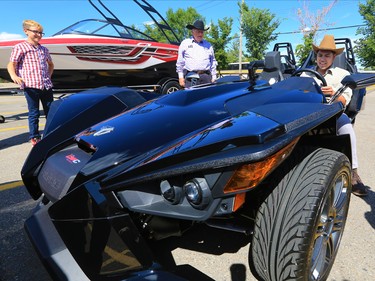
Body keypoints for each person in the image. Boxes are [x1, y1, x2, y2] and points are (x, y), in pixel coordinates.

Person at [303, 34, 368, 197]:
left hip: (333, 113)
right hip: (307, 113)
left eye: (327, 55)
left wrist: (334, 95)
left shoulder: (342, 74)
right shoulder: (305, 74)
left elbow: (345, 97)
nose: (322, 59)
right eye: (320, 55)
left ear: (334, 57)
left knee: (346, 126)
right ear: (315, 56)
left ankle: (353, 174)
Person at [7, 19, 54, 146]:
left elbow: (50, 64)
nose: (39, 35)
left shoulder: (44, 49)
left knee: (51, 111)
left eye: (41, 33)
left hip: (46, 85)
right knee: (34, 113)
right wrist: (14, 75)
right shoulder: (20, 47)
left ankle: (51, 133)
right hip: (31, 86)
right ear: (26, 31)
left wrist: (48, 77)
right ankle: (34, 136)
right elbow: (11, 64)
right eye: (36, 32)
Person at [176, 19, 217, 88]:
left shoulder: (208, 45)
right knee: (192, 98)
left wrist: (214, 76)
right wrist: (180, 77)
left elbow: (212, 61)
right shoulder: (185, 43)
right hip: (191, 77)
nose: (200, 34)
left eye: (202, 32)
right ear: (192, 32)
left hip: (206, 77)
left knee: (208, 98)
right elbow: (180, 62)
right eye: (198, 31)